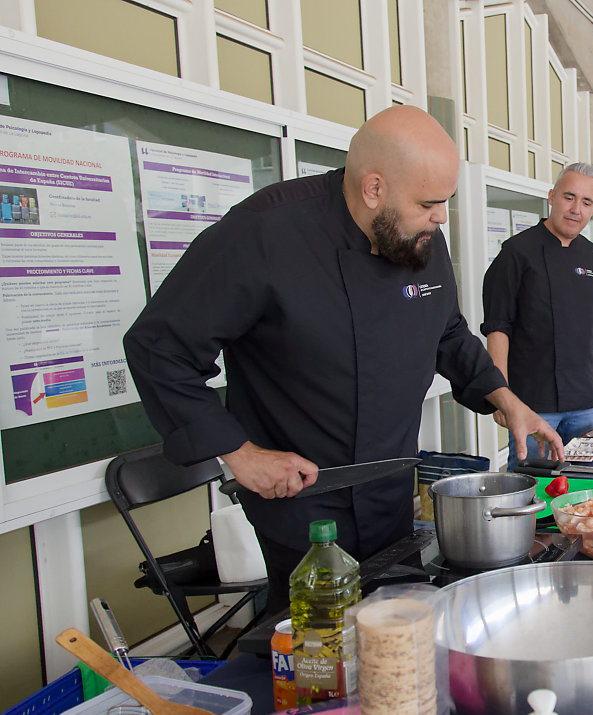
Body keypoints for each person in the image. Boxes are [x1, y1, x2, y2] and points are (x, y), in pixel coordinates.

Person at [124, 106, 563, 611]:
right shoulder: (263, 233)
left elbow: (445, 331)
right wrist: (240, 454)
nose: (441, 218)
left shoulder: (419, 233)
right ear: (373, 188)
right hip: (301, 503)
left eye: (445, 202)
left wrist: (503, 399)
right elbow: (159, 347)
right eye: (429, 203)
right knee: (318, 652)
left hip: (390, 490)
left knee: (392, 636)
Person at [481, 163, 593, 469]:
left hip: (583, 400)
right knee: (533, 489)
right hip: (531, 402)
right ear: (552, 197)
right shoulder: (516, 253)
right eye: (569, 197)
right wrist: (501, 393)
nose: (576, 209)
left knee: (582, 483)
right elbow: (497, 328)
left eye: (586, 202)